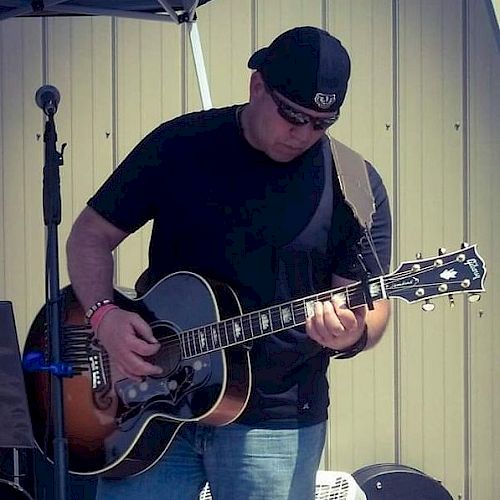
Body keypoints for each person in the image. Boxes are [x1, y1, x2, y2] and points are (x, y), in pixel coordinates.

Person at [66, 26, 392, 500]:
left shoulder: (355, 185)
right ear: (256, 85)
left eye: (321, 123)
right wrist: (105, 316)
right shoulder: (179, 145)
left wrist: (353, 334)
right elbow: (88, 238)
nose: (302, 134)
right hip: (149, 401)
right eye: (290, 115)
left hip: (276, 420)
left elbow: (372, 306)